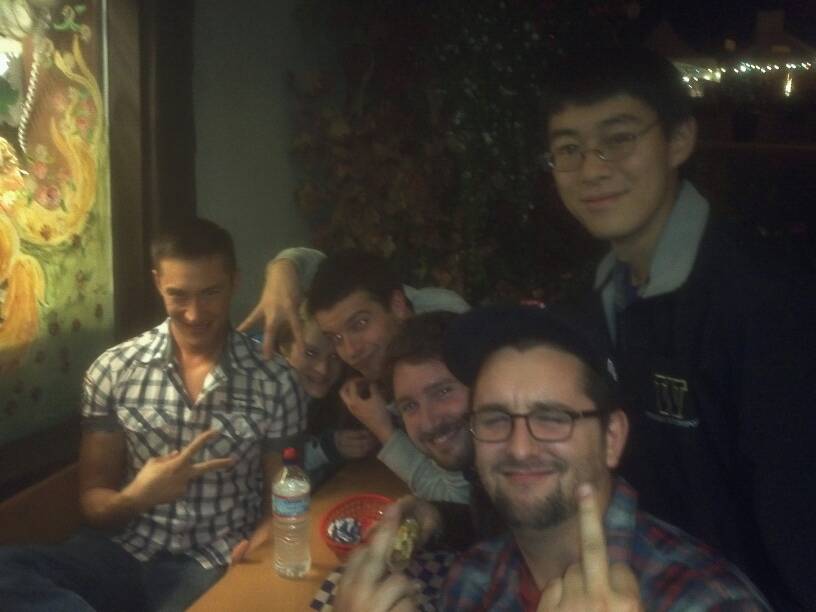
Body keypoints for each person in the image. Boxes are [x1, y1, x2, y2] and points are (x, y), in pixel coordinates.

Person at [541, 47, 816, 609]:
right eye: (569, 149)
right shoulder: (592, 302)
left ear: (679, 139)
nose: (592, 169)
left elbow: (798, 517)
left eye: (619, 138)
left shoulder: (767, 302)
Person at [333, 306, 771, 611]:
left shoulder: (707, 600)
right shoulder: (473, 579)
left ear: (611, 437)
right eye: (495, 419)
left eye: (552, 417)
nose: (520, 448)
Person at [0, 218, 309, 612]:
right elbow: (94, 501)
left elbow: (283, 500)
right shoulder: (113, 370)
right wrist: (137, 496)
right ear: (158, 283)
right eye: (178, 295)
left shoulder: (276, 380)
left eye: (210, 293)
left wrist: (260, 553)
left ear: (235, 282)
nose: (194, 314)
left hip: (210, 561)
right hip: (120, 551)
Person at [242, 247, 471, 502]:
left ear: (398, 305)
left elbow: (456, 495)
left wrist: (383, 428)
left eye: (360, 324)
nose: (350, 352)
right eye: (336, 338)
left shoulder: (447, 340)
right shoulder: (278, 383)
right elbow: (324, 265)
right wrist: (284, 269)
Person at [277, 302, 379, 487]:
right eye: (310, 353)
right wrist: (326, 449)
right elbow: (269, 474)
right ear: (284, 348)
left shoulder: (344, 391)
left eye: (334, 357)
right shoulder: (267, 397)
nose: (323, 369)